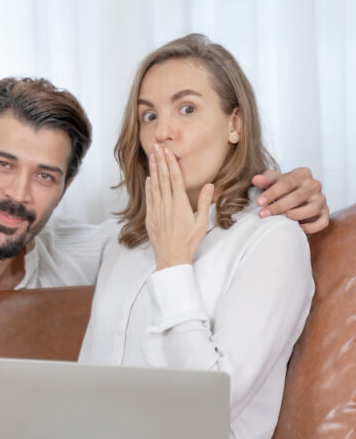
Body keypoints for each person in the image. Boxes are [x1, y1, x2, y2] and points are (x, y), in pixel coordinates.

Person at [0, 76, 327, 438]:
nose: (19, 194)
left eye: (45, 176)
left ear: (67, 184)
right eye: (3, 164)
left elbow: (173, 238)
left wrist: (280, 189)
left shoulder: (84, 252)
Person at [78, 34, 315, 438]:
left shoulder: (272, 240)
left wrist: (173, 266)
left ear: (234, 124)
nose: (162, 132)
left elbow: (212, 406)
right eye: (148, 116)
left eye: (186, 109)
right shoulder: (126, 240)